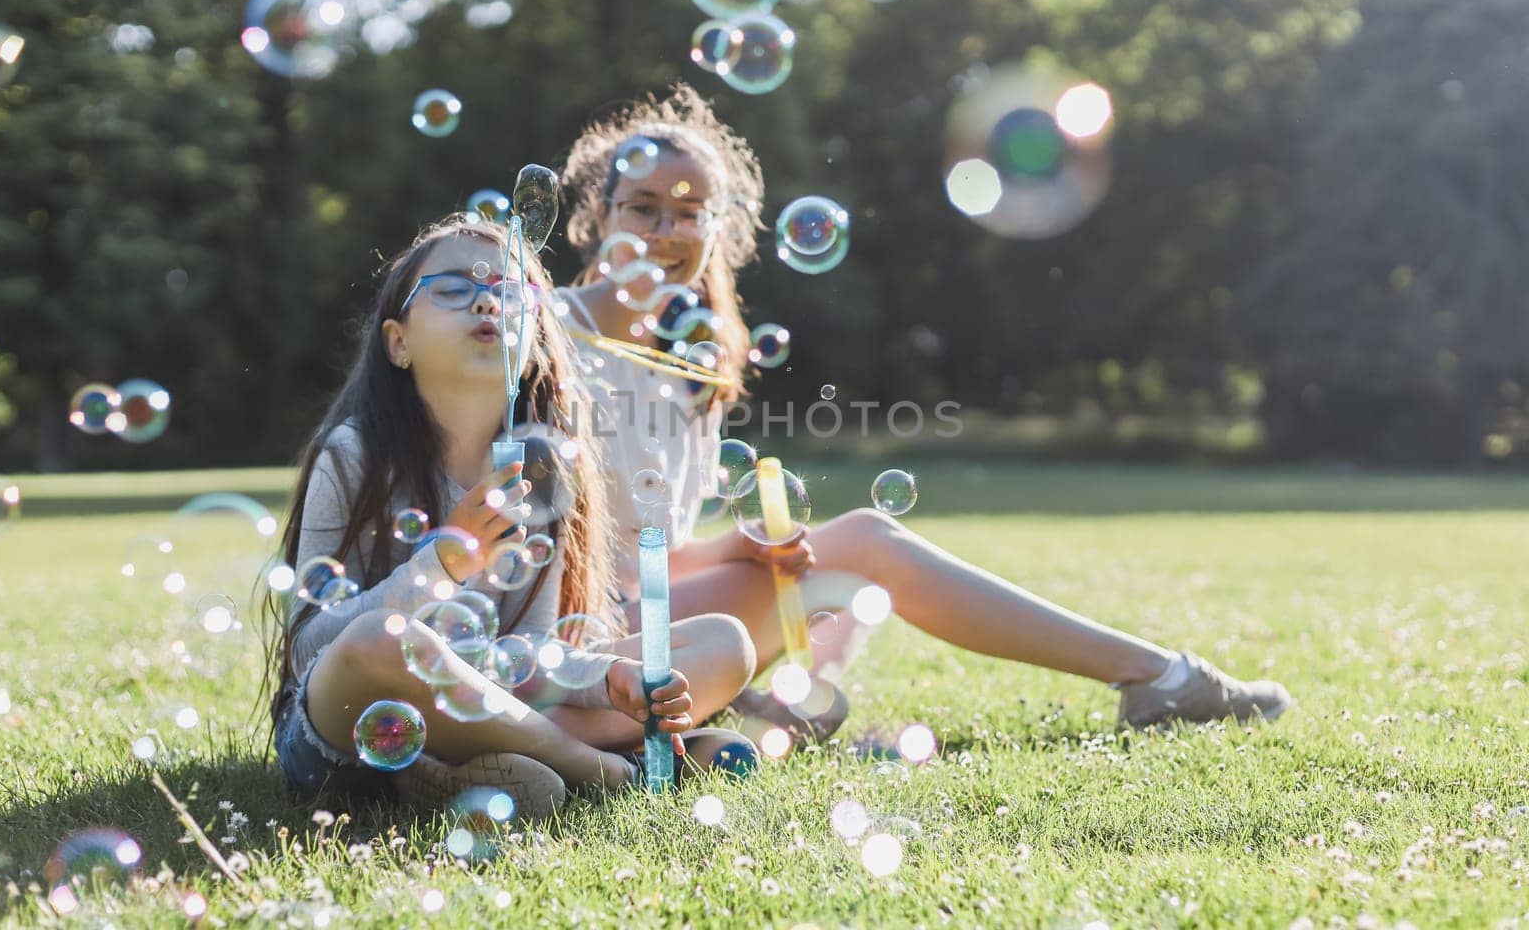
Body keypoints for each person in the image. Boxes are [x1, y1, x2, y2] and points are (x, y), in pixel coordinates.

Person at [552, 83, 1294, 744]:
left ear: (719, 228)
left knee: (844, 549)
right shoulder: (547, 336)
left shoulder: (697, 361)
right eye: (641, 208)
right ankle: (1161, 679)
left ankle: (1155, 678)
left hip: (656, 611)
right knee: (868, 542)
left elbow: (653, 547)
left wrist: (741, 547)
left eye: (689, 212)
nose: (664, 232)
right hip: (573, 634)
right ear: (596, 214)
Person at [262, 213, 758, 818]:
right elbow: (309, 648)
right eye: (452, 288)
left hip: (490, 698)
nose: (487, 305)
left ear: (534, 351)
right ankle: (604, 770)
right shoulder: (353, 456)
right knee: (380, 640)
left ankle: (461, 771)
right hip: (347, 730)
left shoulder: (541, 473)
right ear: (398, 342)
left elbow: (527, 652)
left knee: (722, 642)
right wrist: (441, 564)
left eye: (508, 292)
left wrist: (605, 680)